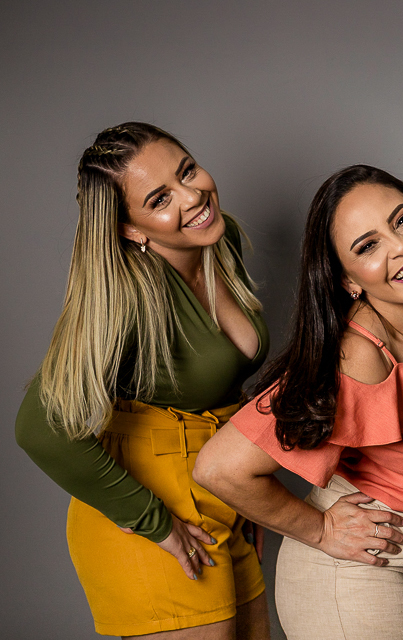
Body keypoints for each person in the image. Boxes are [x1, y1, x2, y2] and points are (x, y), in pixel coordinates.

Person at [192, 164, 403, 640]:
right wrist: (321, 530)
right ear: (348, 281)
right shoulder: (356, 357)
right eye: (367, 246)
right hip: (356, 576)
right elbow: (219, 468)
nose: (400, 246)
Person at [15, 123, 271, 638]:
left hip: (218, 489)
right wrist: (152, 521)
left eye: (187, 171)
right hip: (157, 511)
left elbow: (219, 387)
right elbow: (39, 428)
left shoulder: (220, 240)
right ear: (130, 229)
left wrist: (243, 485)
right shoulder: (125, 296)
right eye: (159, 199)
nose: (192, 197)